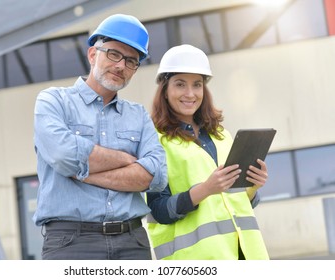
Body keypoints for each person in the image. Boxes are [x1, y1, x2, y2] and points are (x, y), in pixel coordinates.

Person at [33, 14, 167, 260]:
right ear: (93, 55)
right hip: (71, 242)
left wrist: (83, 171)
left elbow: (157, 175)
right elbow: (63, 156)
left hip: (133, 242)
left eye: (131, 61)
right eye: (114, 54)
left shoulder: (138, 115)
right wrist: (127, 160)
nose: (121, 66)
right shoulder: (53, 101)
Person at [146, 44, 269, 260]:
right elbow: (158, 210)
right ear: (165, 90)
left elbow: (234, 202)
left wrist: (252, 187)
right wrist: (205, 189)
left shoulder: (220, 135)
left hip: (246, 254)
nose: (190, 94)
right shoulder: (155, 141)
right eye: (180, 84)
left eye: (197, 84)